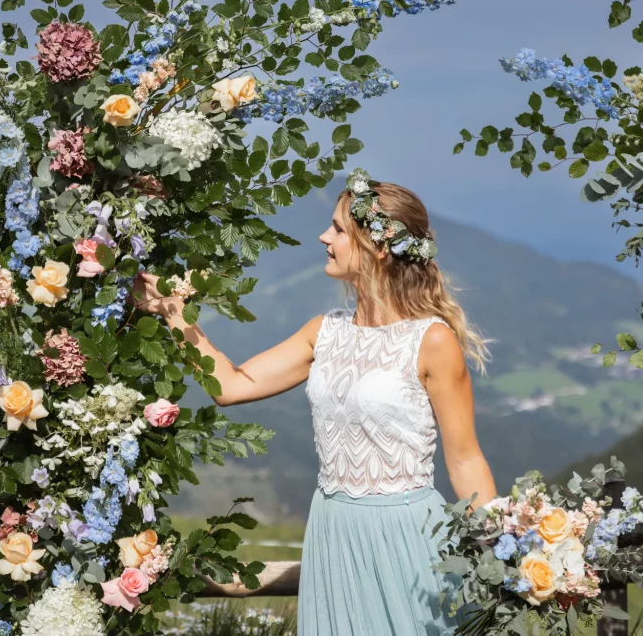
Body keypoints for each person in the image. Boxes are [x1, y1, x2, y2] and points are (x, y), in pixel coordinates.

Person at [132, 167, 498, 635]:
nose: (325, 237)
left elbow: (465, 460)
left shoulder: (432, 341)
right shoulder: (323, 332)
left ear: (378, 247)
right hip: (332, 533)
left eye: (339, 229)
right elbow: (230, 386)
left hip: (408, 538)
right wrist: (172, 313)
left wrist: (499, 555)